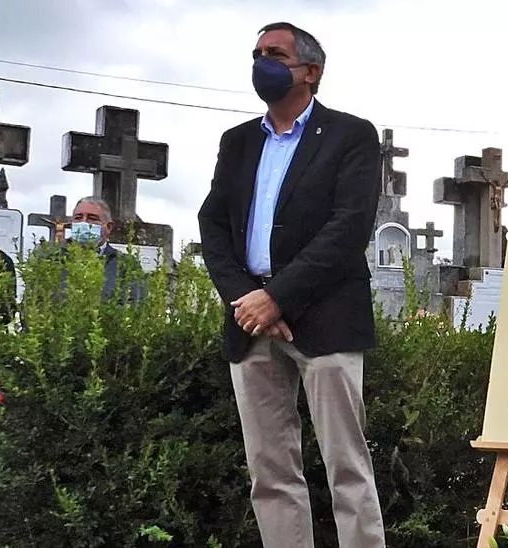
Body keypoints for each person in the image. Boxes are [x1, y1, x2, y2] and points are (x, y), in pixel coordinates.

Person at [196, 22, 385, 547]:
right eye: (257, 54)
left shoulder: (351, 135)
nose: (262, 63)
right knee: (270, 471)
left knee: (347, 468)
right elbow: (213, 223)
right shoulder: (238, 142)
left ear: (310, 71)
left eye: (275, 54)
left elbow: (348, 228)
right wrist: (247, 298)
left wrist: (277, 297)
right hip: (249, 321)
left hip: (326, 317)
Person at [65, 196, 145, 304]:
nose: (84, 223)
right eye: (78, 218)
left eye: (92, 218)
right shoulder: (53, 259)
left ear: (108, 227)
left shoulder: (126, 265)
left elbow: (135, 305)